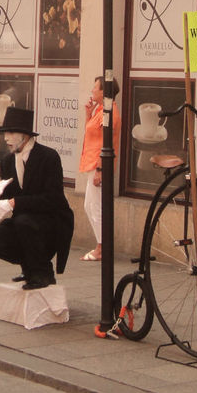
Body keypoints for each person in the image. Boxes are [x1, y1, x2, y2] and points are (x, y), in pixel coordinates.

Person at [0, 107, 74, 290]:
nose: (6, 138)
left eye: (11, 132)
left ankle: (43, 273)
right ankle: (30, 266)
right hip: (24, 220)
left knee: (24, 222)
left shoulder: (48, 157)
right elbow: (9, 195)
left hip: (51, 220)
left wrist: (15, 203)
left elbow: (52, 199)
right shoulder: (7, 160)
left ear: (25, 135)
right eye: (4, 133)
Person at [79, 76, 121, 262]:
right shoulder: (100, 111)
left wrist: (100, 169)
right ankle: (101, 246)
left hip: (98, 165)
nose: (92, 90)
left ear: (104, 92)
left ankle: (102, 248)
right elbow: (92, 134)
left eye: (95, 87)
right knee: (90, 205)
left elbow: (108, 142)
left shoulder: (110, 113)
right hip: (91, 163)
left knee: (95, 206)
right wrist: (88, 114)